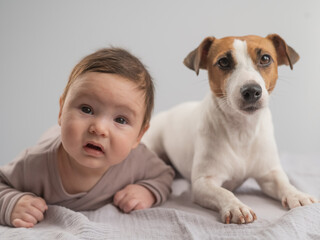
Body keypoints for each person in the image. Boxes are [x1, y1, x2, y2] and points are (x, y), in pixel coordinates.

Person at [0, 47, 174, 228]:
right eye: (86, 109)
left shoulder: (138, 159)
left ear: (139, 136)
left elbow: (164, 175)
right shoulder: (35, 163)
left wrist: (147, 192)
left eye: (120, 120)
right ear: (61, 111)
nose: (99, 129)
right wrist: (11, 202)